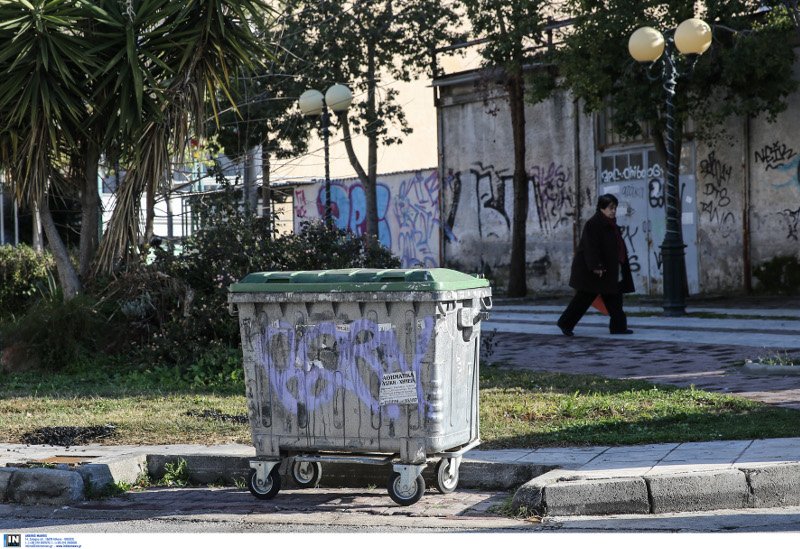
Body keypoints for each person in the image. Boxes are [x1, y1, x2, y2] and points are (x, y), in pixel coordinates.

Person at [557, 193, 635, 336]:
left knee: (614, 297)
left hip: (609, 270)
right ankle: (565, 323)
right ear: (601, 208)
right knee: (584, 298)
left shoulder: (611, 225)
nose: (613, 211)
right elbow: (590, 247)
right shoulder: (594, 224)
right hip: (593, 271)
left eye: (615, 208)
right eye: (610, 208)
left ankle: (618, 327)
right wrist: (596, 266)